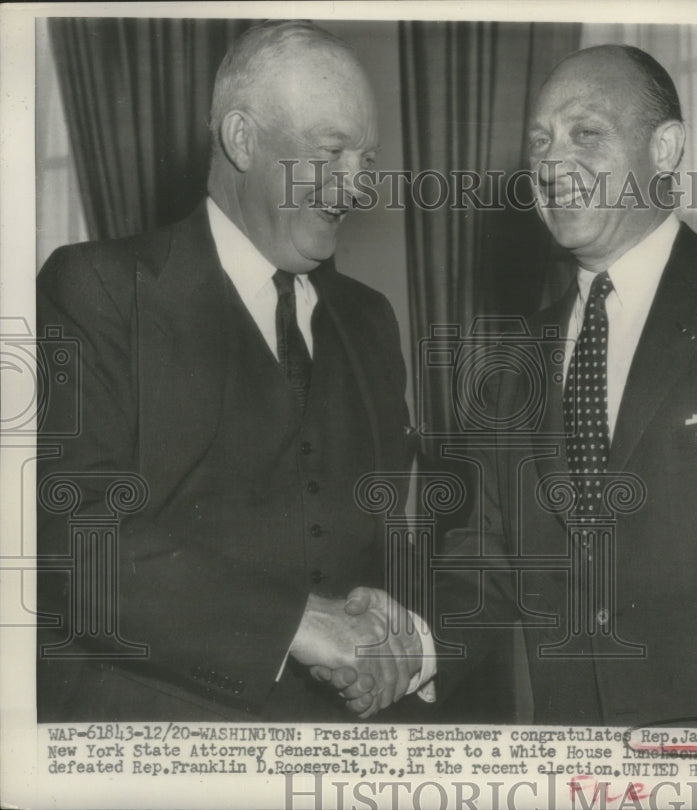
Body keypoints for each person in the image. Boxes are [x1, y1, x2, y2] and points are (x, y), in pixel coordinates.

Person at [343, 43, 697, 730]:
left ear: (668, 147)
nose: (554, 164)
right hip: (584, 768)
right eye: (539, 143)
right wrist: (405, 642)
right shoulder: (510, 365)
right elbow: (488, 565)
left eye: (586, 133)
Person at [36, 21, 426, 721]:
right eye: (332, 152)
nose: (356, 186)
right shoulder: (97, 290)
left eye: (365, 159)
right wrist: (292, 624)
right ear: (243, 139)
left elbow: (382, 542)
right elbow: (73, 543)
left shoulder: (370, 320)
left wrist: (403, 646)